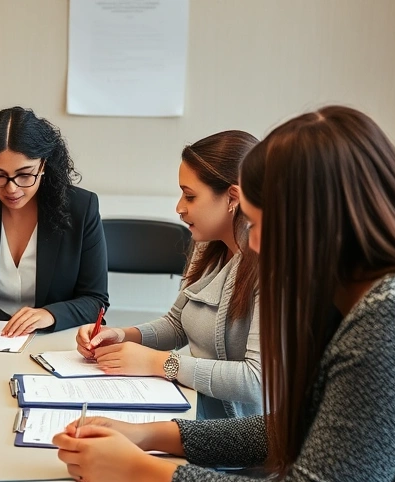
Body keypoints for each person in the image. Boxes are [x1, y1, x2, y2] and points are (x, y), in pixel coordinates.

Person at [54, 106, 395, 482]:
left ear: (318, 222)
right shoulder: (354, 299)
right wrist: (146, 435)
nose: (257, 244)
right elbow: (289, 429)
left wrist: (141, 470)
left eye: (262, 224)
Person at [77, 131, 262, 419]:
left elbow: (256, 381)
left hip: (240, 441)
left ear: (232, 198)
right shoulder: (207, 246)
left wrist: (161, 363)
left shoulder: (273, 270)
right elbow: (177, 325)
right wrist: (122, 336)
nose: (179, 207)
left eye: (190, 195)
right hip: (195, 410)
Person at [0, 106, 108, 336]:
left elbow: (96, 301)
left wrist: (49, 314)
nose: (11, 188)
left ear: (43, 165)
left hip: (51, 338)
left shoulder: (81, 208)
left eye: (25, 174)